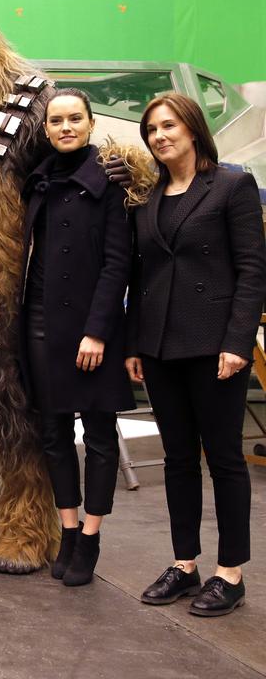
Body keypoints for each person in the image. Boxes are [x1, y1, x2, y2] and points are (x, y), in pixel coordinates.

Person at [126, 92, 266, 616]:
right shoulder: (148, 197)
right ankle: (185, 565)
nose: (159, 136)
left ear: (191, 128)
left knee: (226, 460)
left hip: (215, 348)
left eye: (167, 126)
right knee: (178, 459)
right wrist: (135, 344)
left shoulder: (232, 185)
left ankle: (230, 574)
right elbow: (141, 278)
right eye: (151, 130)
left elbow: (253, 272)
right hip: (161, 347)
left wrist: (237, 343)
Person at [19, 89, 133, 586]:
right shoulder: (38, 182)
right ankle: (67, 529)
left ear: (90, 124)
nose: (66, 127)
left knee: (101, 437)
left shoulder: (109, 183)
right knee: (53, 433)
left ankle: (91, 535)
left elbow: (117, 264)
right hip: (39, 323)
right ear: (46, 129)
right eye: (57, 120)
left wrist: (97, 332)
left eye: (75, 119)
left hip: (90, 332)